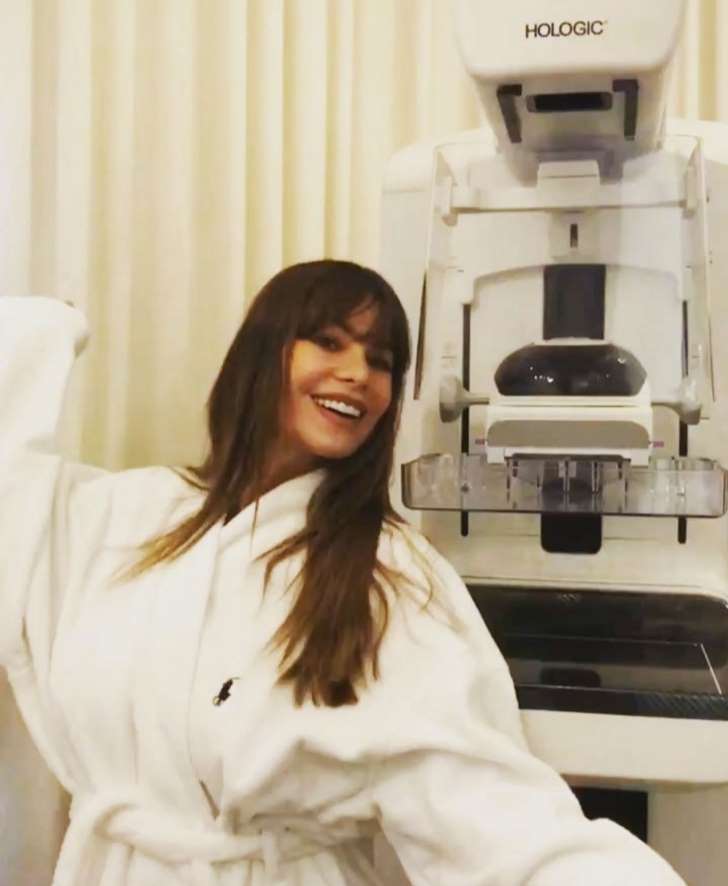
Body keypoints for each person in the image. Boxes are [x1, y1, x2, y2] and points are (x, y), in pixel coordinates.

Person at [0, 259, 684, 886]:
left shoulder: (384, 574)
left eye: (381, 361)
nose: (359, 374)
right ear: (263, 352)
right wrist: (55, 327)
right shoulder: (129, 516)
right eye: (329, 341)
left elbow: (487, 805)